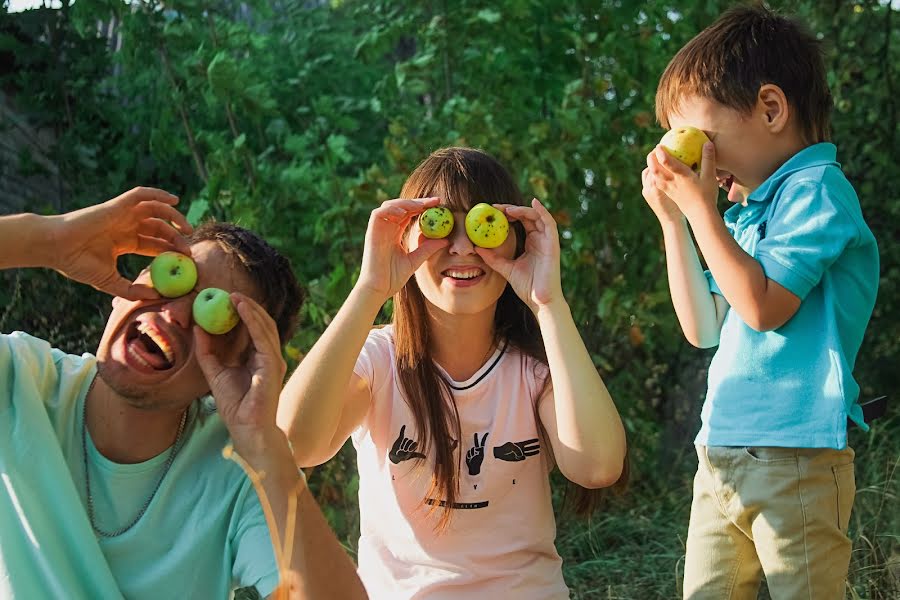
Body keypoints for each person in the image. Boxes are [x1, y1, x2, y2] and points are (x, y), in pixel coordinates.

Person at [277, 147, 627, 599]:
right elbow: (292, 445)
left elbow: (597, 466)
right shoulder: (379, 360)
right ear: (406, 239)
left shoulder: (534, 371)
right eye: (441, 224)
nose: (462, 246)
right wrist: (371, 288)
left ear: (517, 239)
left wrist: (549, 303)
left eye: (481, 226)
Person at [0, 187, 367, 599]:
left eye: (213, 317)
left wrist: (265, 446)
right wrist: (48, 240)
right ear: (133, 281)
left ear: (237, 369)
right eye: (175, 278)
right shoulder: (18, 381)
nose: (175, 313)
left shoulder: (241, 473)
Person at [641, 5, 879, 599]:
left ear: (771, 109)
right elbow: (704, 327)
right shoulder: (745, 213)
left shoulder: (817, 191)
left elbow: (764, 307)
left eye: (707, 140)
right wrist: (677, 224)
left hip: (796, 457)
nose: (702, 161)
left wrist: (701, 212)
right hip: (720, 448)